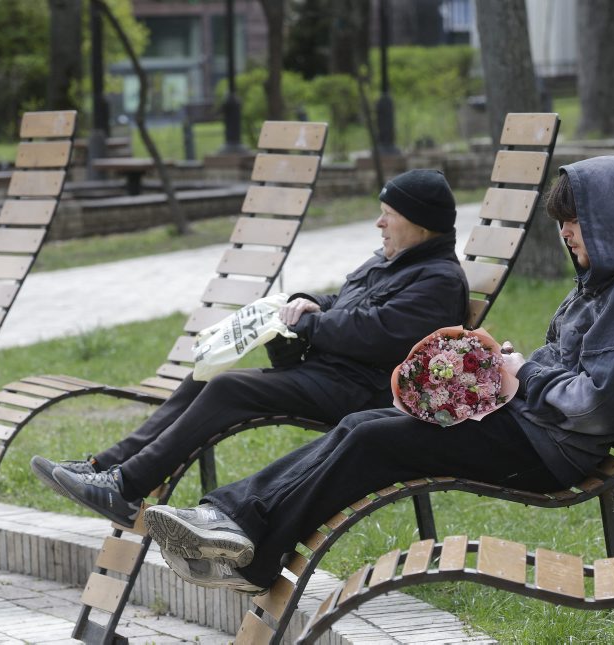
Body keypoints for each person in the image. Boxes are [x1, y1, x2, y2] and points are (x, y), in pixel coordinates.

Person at [141, 154, 614, 595]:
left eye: (576, 221)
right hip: (530, 425)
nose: (565, 233)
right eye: (562, 222)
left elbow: (598, 404)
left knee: (372, 438)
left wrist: (525, 372)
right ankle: (236, 526)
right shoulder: (605, 284)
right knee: (362, 425)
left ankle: (244, 540)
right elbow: (570, 371)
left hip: (547, 450)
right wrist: (505, 365)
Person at [30, 169, 471, 528]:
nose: (379, 223)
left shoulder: (438, 280)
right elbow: (345, 302)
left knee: (230, 388)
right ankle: (104, 466)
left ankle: (126, 489)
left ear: (421, 224)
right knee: (206, 376)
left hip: (362, 391)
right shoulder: (391, 259)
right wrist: (310, 302)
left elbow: (377, 332)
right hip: (330, 374)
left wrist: (310, 324)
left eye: (388, 215)